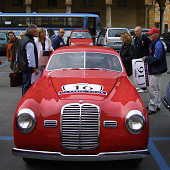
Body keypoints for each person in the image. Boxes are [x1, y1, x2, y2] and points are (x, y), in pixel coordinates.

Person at [142, 27, 167, 115]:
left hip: (155, 69)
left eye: (151, 34)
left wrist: (147, 58)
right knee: (157, 88)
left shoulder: (158, 44)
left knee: (153, 88)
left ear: (156, 35)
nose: (149, 36)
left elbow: (156, 58)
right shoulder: (157, 43)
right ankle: (157, 105)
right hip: (158, 68)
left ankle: (152, 107)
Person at [17, 24, 39, 96]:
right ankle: (25, 101)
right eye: (35, 31)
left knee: (25, 84)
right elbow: (30, 57)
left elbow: (19, 53)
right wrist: (34, 69)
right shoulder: (29, 42)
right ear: (31, 32)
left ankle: (24, 98)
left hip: (23, 65)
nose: (36, 33)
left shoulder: (23, 39)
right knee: (27, 85)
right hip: (28, 67)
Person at [134, 26, 151, 92]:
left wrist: (147, 57)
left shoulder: (145, 38)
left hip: (143, 58)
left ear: (141, 31)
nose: (136, 33)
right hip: (137, 58)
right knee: (138, 73)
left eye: (137, 31)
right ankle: (140, 86)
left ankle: (144, 88)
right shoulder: (136, 38)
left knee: (143, 73)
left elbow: (149, 48)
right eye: (135, 31)